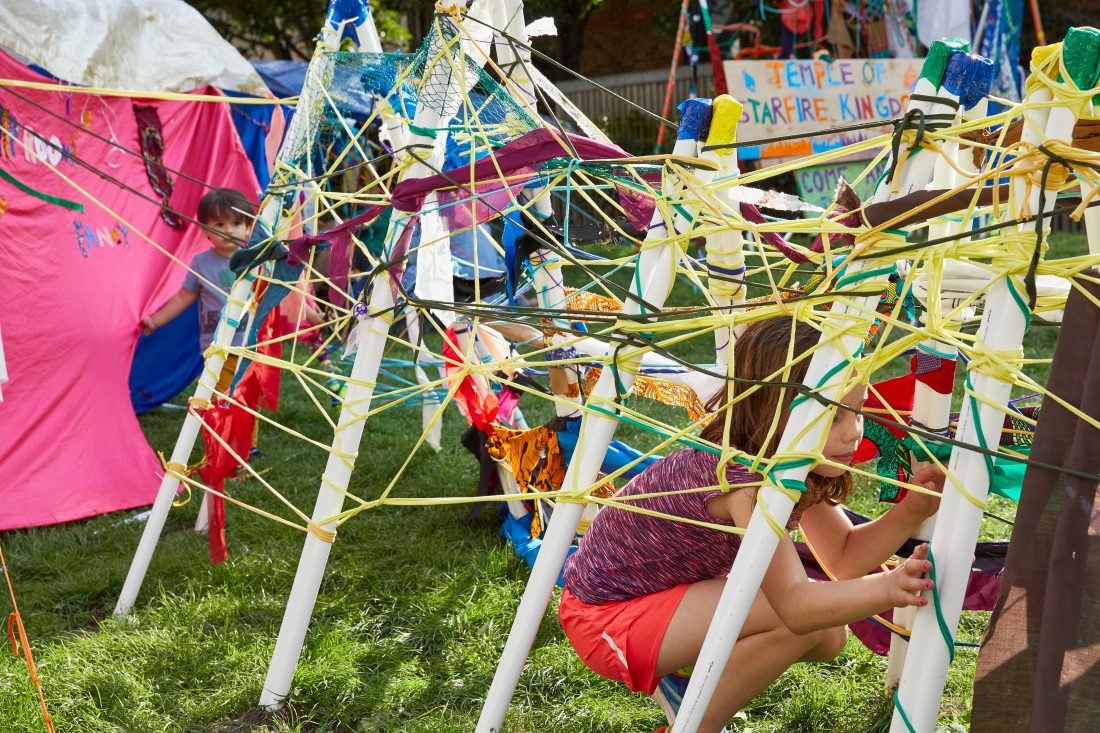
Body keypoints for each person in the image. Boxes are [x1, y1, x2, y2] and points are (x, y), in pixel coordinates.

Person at [559, 316, 944, 733]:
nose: (854, 432)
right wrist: (888, 588)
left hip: (655, 599)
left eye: (857, 409)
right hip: (605, 618)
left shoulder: (784, 454)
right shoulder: (742, 477)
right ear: (774, 411)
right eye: (833, 417)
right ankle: (695, 722)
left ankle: (691, 697)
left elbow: (844, 558)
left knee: (829, 633)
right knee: (798, 617)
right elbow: (794, 606)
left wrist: (908, 514)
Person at [141, 188, 255, 397]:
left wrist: (308, 316)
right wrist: (156, 321)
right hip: (216, 347)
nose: (228, 230)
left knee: (244, 401)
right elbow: (184, 296)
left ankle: (237, 430)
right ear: (205, 230)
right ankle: (216, 429)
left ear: (248, 227)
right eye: (220, 224)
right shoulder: (201, 263)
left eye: (236, 224)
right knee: (221, 399)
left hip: (250, 345)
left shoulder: (255, 260)